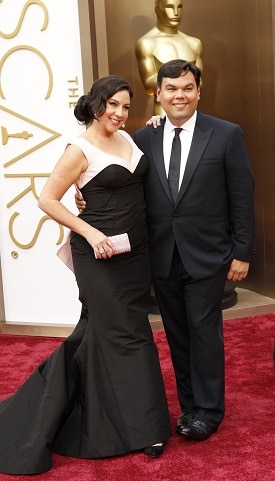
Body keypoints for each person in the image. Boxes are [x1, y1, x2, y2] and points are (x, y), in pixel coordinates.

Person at [76, 60, 255, 443]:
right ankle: (190, 405)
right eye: (171, 89)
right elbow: (114, 176)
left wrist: (243, 251)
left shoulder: (225, 134)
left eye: (187, 88)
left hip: (208, 256)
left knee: (205, 332)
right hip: (160, 255)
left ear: (199, 92)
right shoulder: (141, 138)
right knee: (177, 335)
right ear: (158, 94)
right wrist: (80, 192)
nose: (180, 95)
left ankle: (208, 412)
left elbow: (242, 196)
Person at [0, 76, 171, 475]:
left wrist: (158, 122)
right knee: (128, 332)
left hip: (135, 253)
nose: (119, 113)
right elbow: (47, 199)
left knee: (102, 332)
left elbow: (133, 174)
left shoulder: (129, 138)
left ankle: (66, 404)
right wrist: (91, 232)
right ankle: (146, 428)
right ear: (96, 104)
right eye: (113, 104)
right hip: (98, 253)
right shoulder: (78, 147)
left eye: (126, 107)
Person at [135, 0, 203, 114]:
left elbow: (199, 81)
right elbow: (148, 85)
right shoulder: (146, 44)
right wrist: (186, 82)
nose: (176, 13)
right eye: (170, 7)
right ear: (157, 9)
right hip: (163, 112)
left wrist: (172, 85)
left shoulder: (194, 43)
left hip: (191, 111)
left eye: (179, 7)